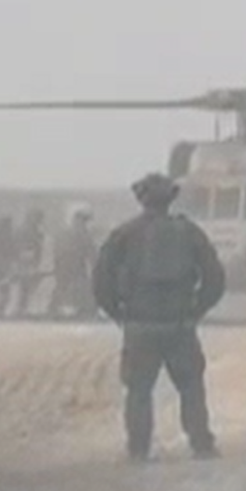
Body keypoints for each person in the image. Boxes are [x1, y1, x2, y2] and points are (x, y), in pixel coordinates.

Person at [93, 173, 226, 464]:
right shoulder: (189, 232)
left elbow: (101, 280)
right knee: (190, 386)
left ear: (141, 199)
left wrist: (119, 313)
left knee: (139, 390)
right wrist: (196, 310)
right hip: (180, 325)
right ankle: (201, 444)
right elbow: (215, 278)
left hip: (140, 325)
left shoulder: (124, 234)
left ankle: (138, 450)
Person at [52, 205, 98, 319]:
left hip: (64, 266)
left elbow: (57, 250)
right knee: (79, 286)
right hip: (73, 266)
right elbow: (91, 252)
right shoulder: (82, 234)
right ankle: (84, 309)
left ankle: (57, 308)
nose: (86, 223)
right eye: (85, 220)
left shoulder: (64, 233)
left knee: (64, 287)